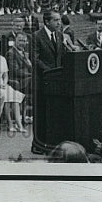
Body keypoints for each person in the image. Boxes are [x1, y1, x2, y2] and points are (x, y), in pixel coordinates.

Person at [31, 11, 65, 146]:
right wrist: (49, 71)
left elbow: (62, 55)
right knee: (41, 114)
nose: (59, 23)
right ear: (47, 22)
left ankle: (51, 142)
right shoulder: (36, 36)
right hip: (42, 80)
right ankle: (38, 144)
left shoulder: (59, 35)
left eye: (60, 20)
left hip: (56, 81)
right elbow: (34, 58)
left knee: (53, 113)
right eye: (56, 20)